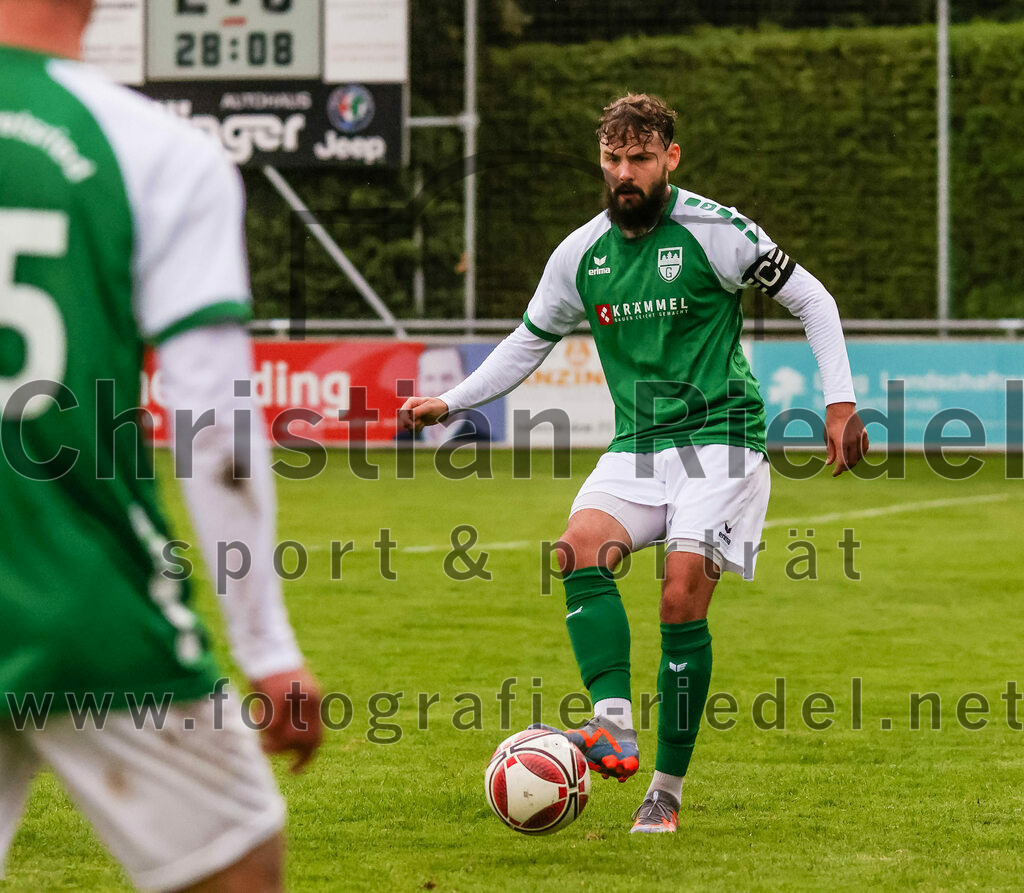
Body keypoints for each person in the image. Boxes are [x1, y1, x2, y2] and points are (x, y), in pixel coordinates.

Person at [401, 93, 868, 834]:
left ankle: (666, 791)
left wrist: (839, 404)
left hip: (722, 438)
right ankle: (613, 722)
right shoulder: (579, 254)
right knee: (576, 550)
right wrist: (451, 400)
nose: (625, 172)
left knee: (680, 595)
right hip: (639, 445)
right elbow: (528, 342)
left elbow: (813, 299)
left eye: (641, 158)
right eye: (614, 158)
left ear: (669, 158)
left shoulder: (716, 230)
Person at [0, 2, 321, 888]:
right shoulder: (155, 149)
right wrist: (267, 648)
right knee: (238, 863)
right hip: (79, 599)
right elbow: (214, 427)